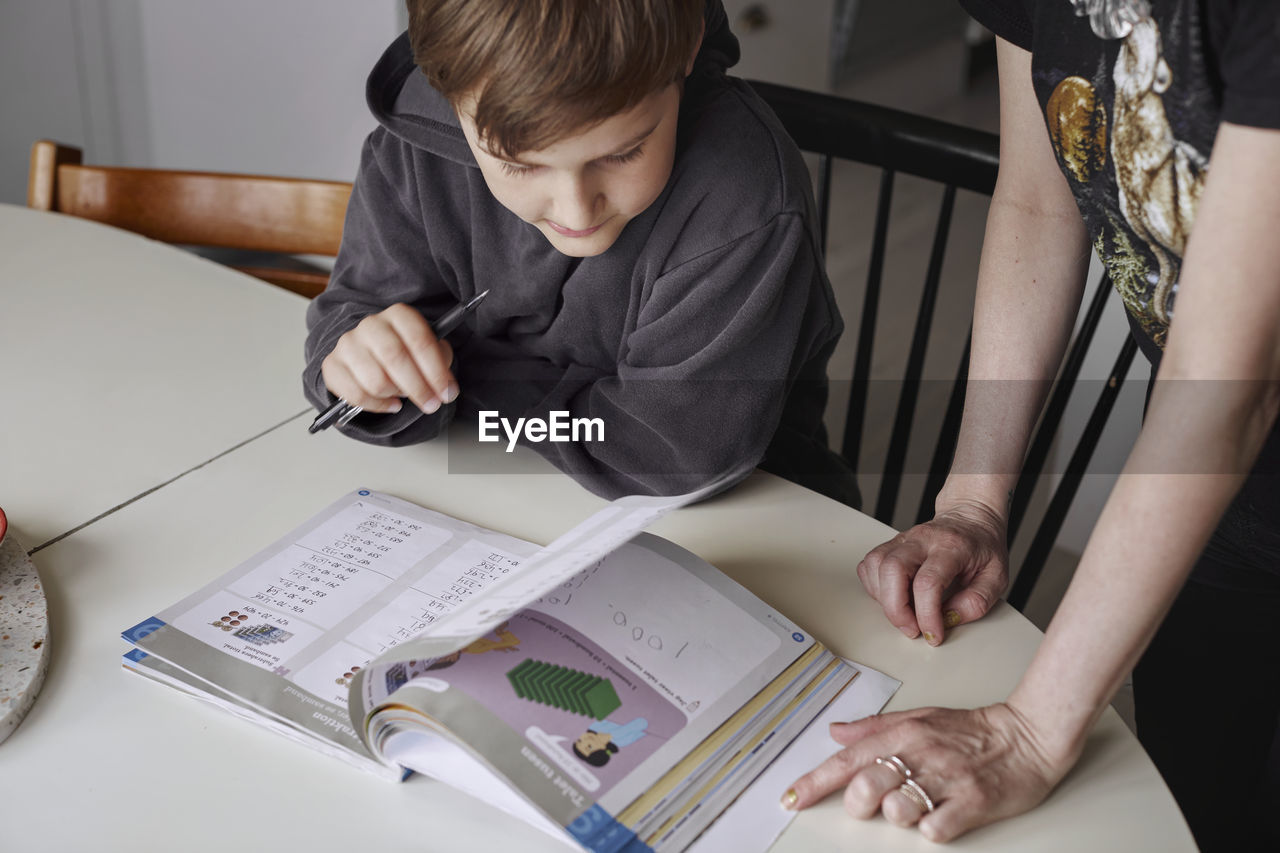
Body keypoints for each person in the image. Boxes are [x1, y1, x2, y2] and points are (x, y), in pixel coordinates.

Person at [782, 1, 1280, 848]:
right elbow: (1037, 202)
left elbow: (1229, 389)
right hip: (1232, 504)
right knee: (1199, 797)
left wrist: (1032, 728)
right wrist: (974, 501)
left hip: (1230, 424)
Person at [302, 0, 858, 506]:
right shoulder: (412, 147)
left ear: (687, 47)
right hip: (500, 497)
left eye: (623, 153)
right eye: (520, 164)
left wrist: (463, 381)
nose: (576, 213)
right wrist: (358, 365)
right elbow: (354, 310)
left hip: (742, 519)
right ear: (446, 94)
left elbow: (665, 455)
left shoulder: (743, 199)